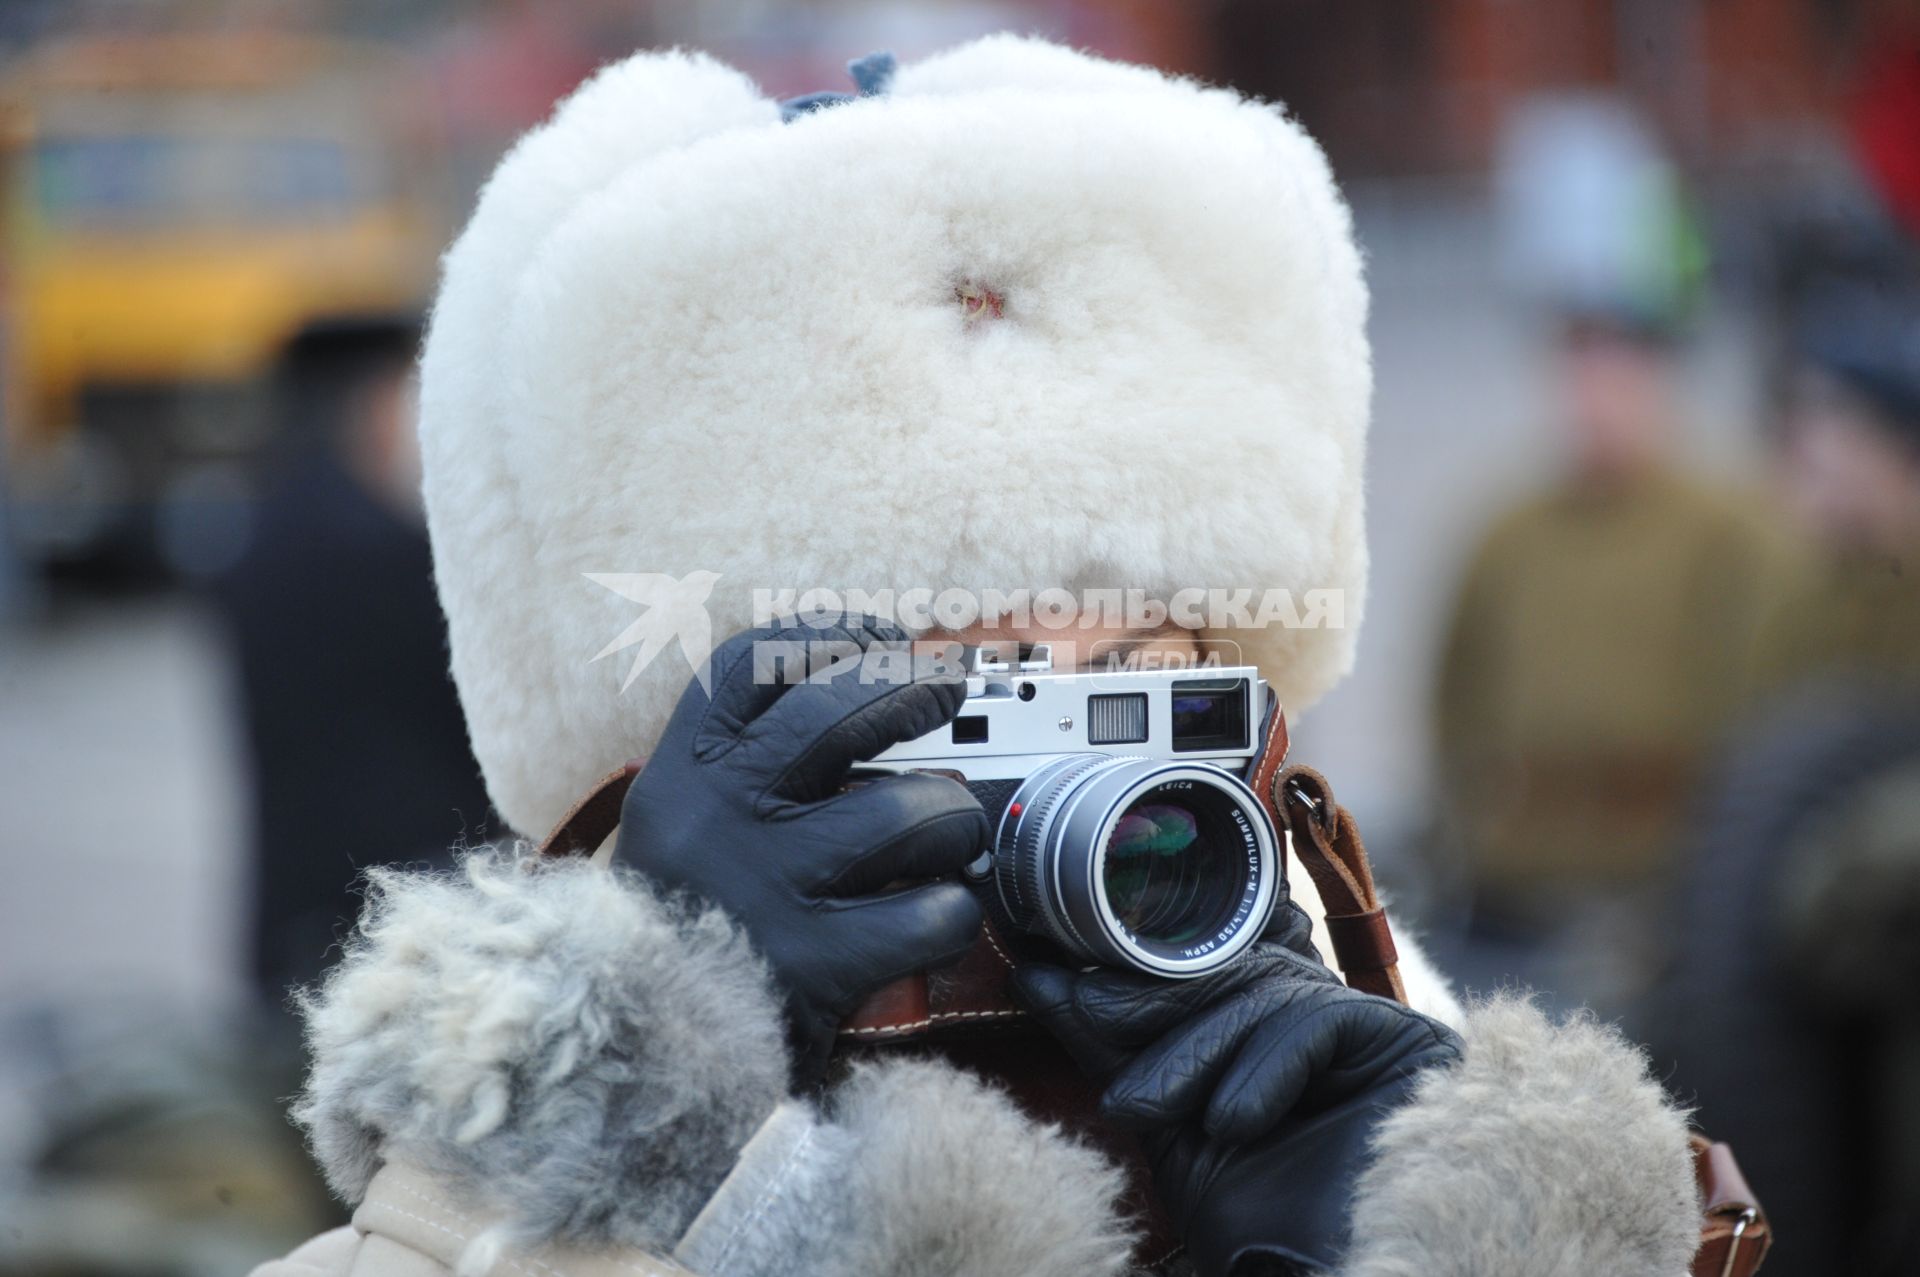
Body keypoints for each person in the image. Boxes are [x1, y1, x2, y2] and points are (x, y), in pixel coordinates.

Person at [253, 38, 1701, 1276]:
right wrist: (625, 1088)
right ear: (677, 760)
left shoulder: (1351, 1080)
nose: (1052, 784)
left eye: (1130, 683)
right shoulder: (528, 1178)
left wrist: (1447, 1229)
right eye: (942, 705)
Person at [1432, 307, 1788, 1004]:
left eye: (1618, 379)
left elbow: (1765, 696)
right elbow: (1455, 686)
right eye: (1580, 379)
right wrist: (1463, 820)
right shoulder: (1509, 533)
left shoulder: (1728, 530)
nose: (1596, 403)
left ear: (1659, 387)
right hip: (1522, 866)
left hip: (1663, 871)